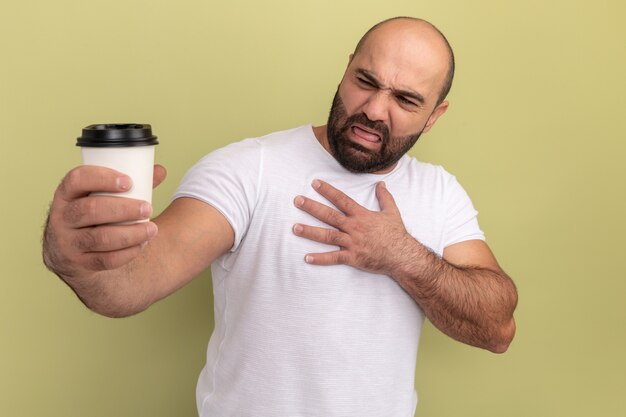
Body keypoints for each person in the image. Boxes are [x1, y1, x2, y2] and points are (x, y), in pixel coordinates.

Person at [43, 16, 517, 417]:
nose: (373, 110)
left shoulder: (438, 191)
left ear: (435, 115)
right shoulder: (248, 169)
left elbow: (497, 328)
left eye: (406, 100)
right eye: (365, 82)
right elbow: (128, 286)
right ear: (346, 68)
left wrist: (402, 256)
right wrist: (73, 257)